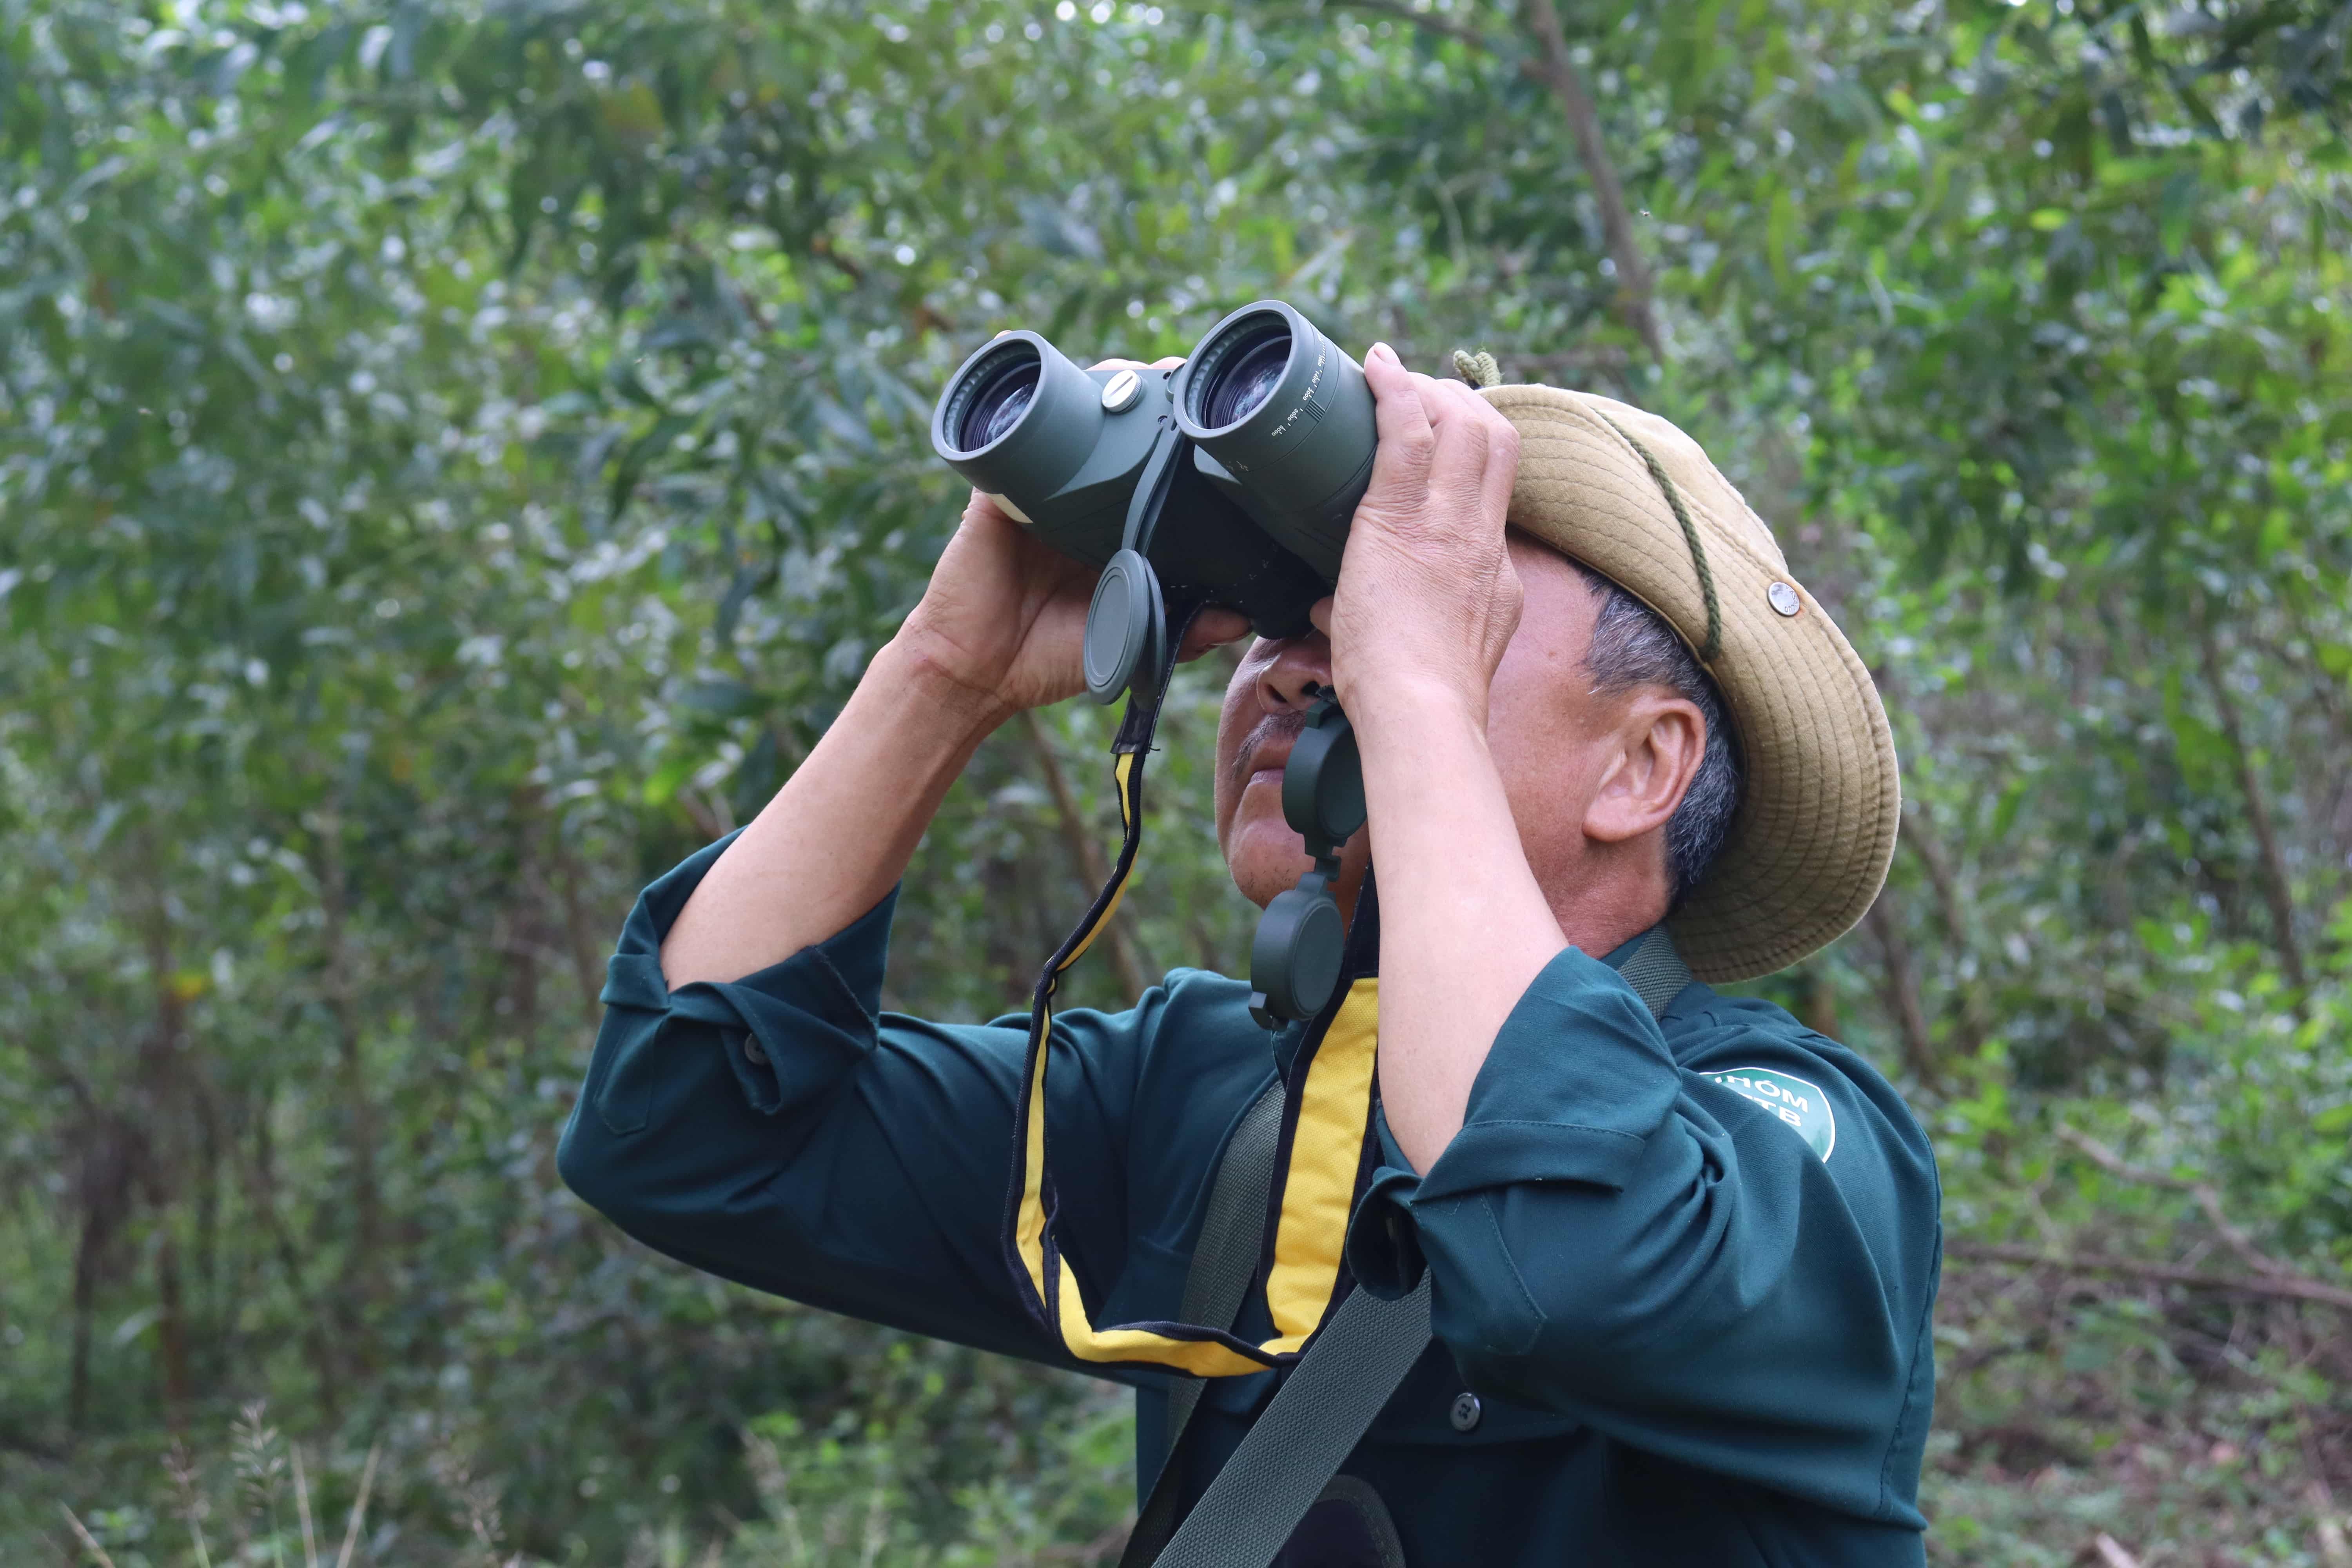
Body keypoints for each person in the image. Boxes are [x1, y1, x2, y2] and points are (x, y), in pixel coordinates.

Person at [559, 343, 1940, 1565]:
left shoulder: (1792, 1147)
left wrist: (1404, 687)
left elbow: (1567, 1254)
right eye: (1301, 612)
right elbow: (684, 1127)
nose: (1297, 665)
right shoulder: (1201, 1093)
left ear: (1644, 766)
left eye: (1446, 616)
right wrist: (945, 672)